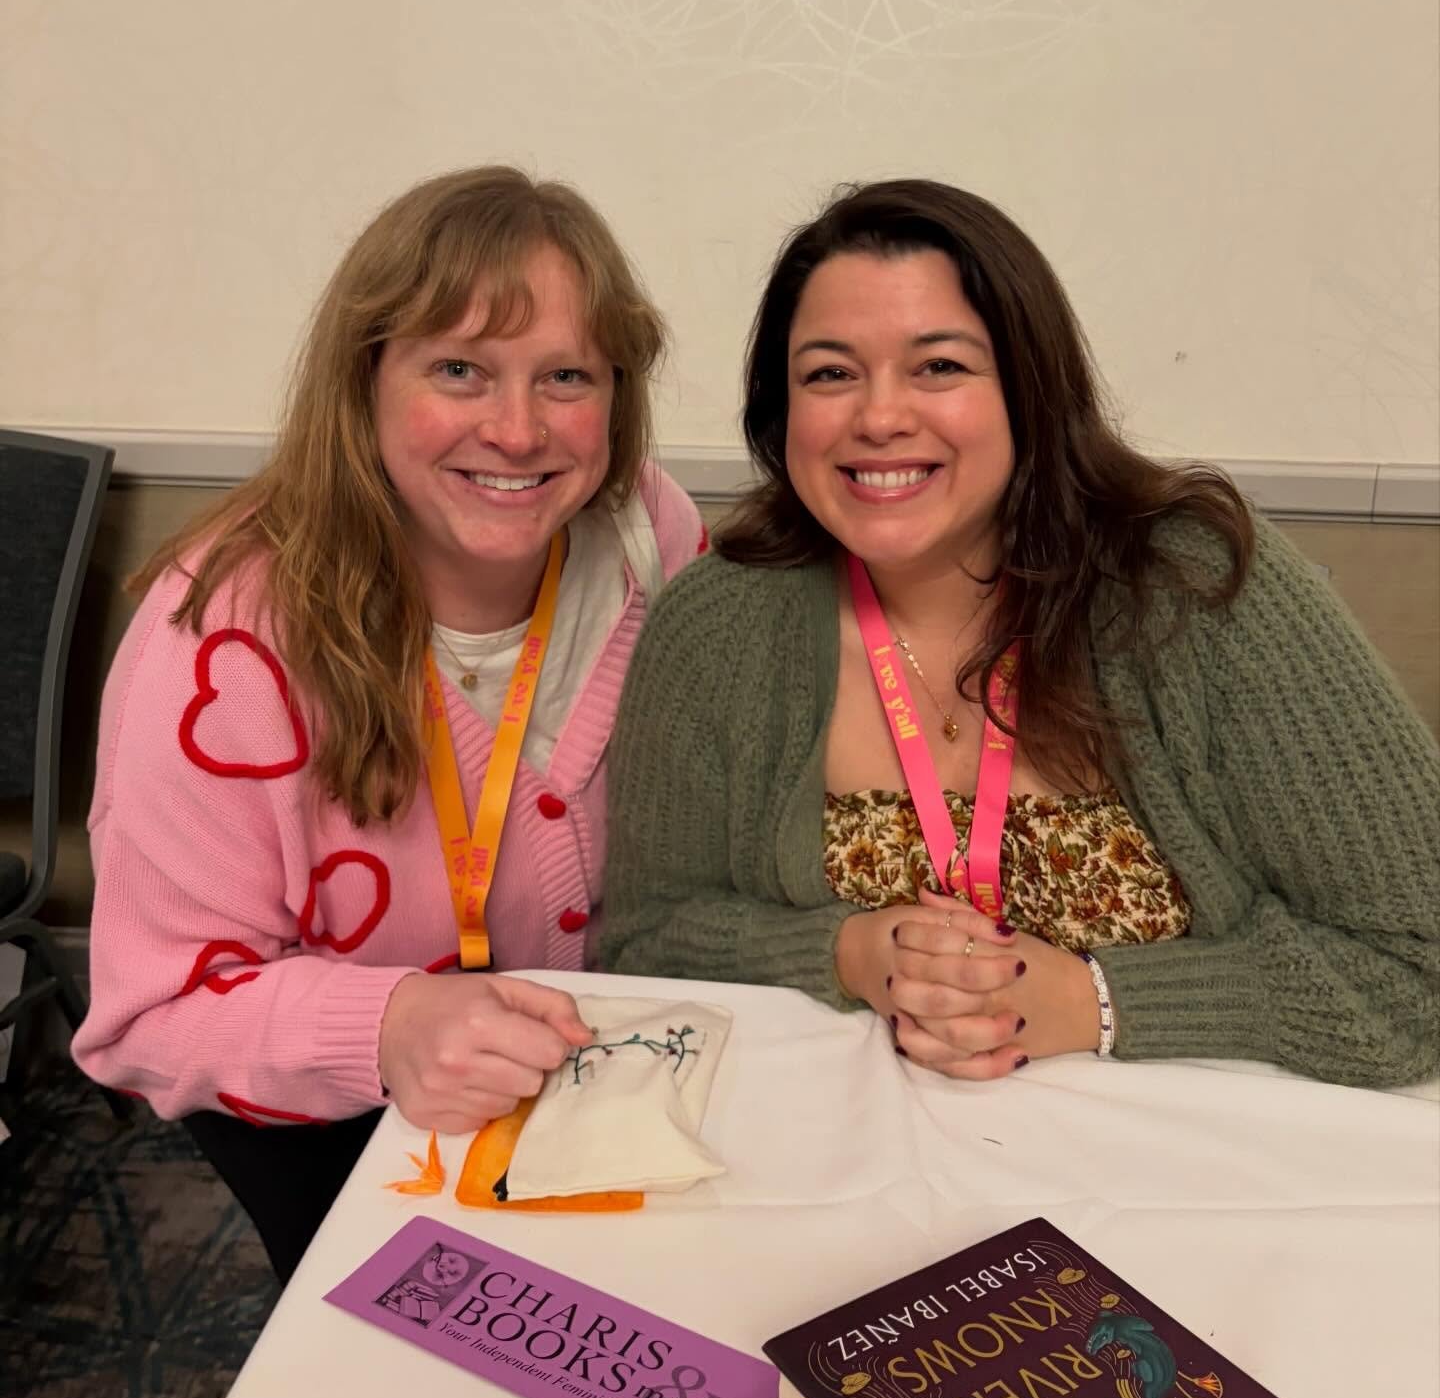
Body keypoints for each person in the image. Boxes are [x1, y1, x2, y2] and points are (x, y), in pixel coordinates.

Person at [600, 178, 1438, 1090]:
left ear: (1030, 391)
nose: (879, 417)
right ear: (780, 411)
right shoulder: (717, 622)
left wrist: (1098, 1001)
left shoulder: (1197, 586)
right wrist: (844, 952)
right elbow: (642, 944)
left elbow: (1415, 961)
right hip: (859, 1186)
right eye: (830, 373)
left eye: (940, 367)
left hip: (1188, 1190)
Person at [72, 167, 704, 1279]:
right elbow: (146, 1018)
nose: (517, 431)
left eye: (566, 376)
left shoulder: (651, 533)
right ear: (363, 380)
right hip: (336, 1116)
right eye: (459, 369)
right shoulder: (214, 639)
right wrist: (385, 1029)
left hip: (589, 1072)